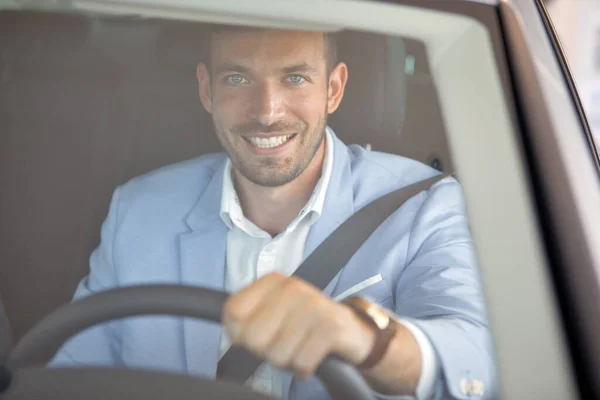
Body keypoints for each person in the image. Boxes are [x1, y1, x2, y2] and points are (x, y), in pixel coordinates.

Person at [50, 27, 495, 399]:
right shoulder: (139, 209)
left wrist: (364, 338)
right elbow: (73, 375)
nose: (266, 112)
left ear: (334, 89)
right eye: (238, 79)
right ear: (206, 90)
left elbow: (477, 356)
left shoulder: (423, 204)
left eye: (296, 78)